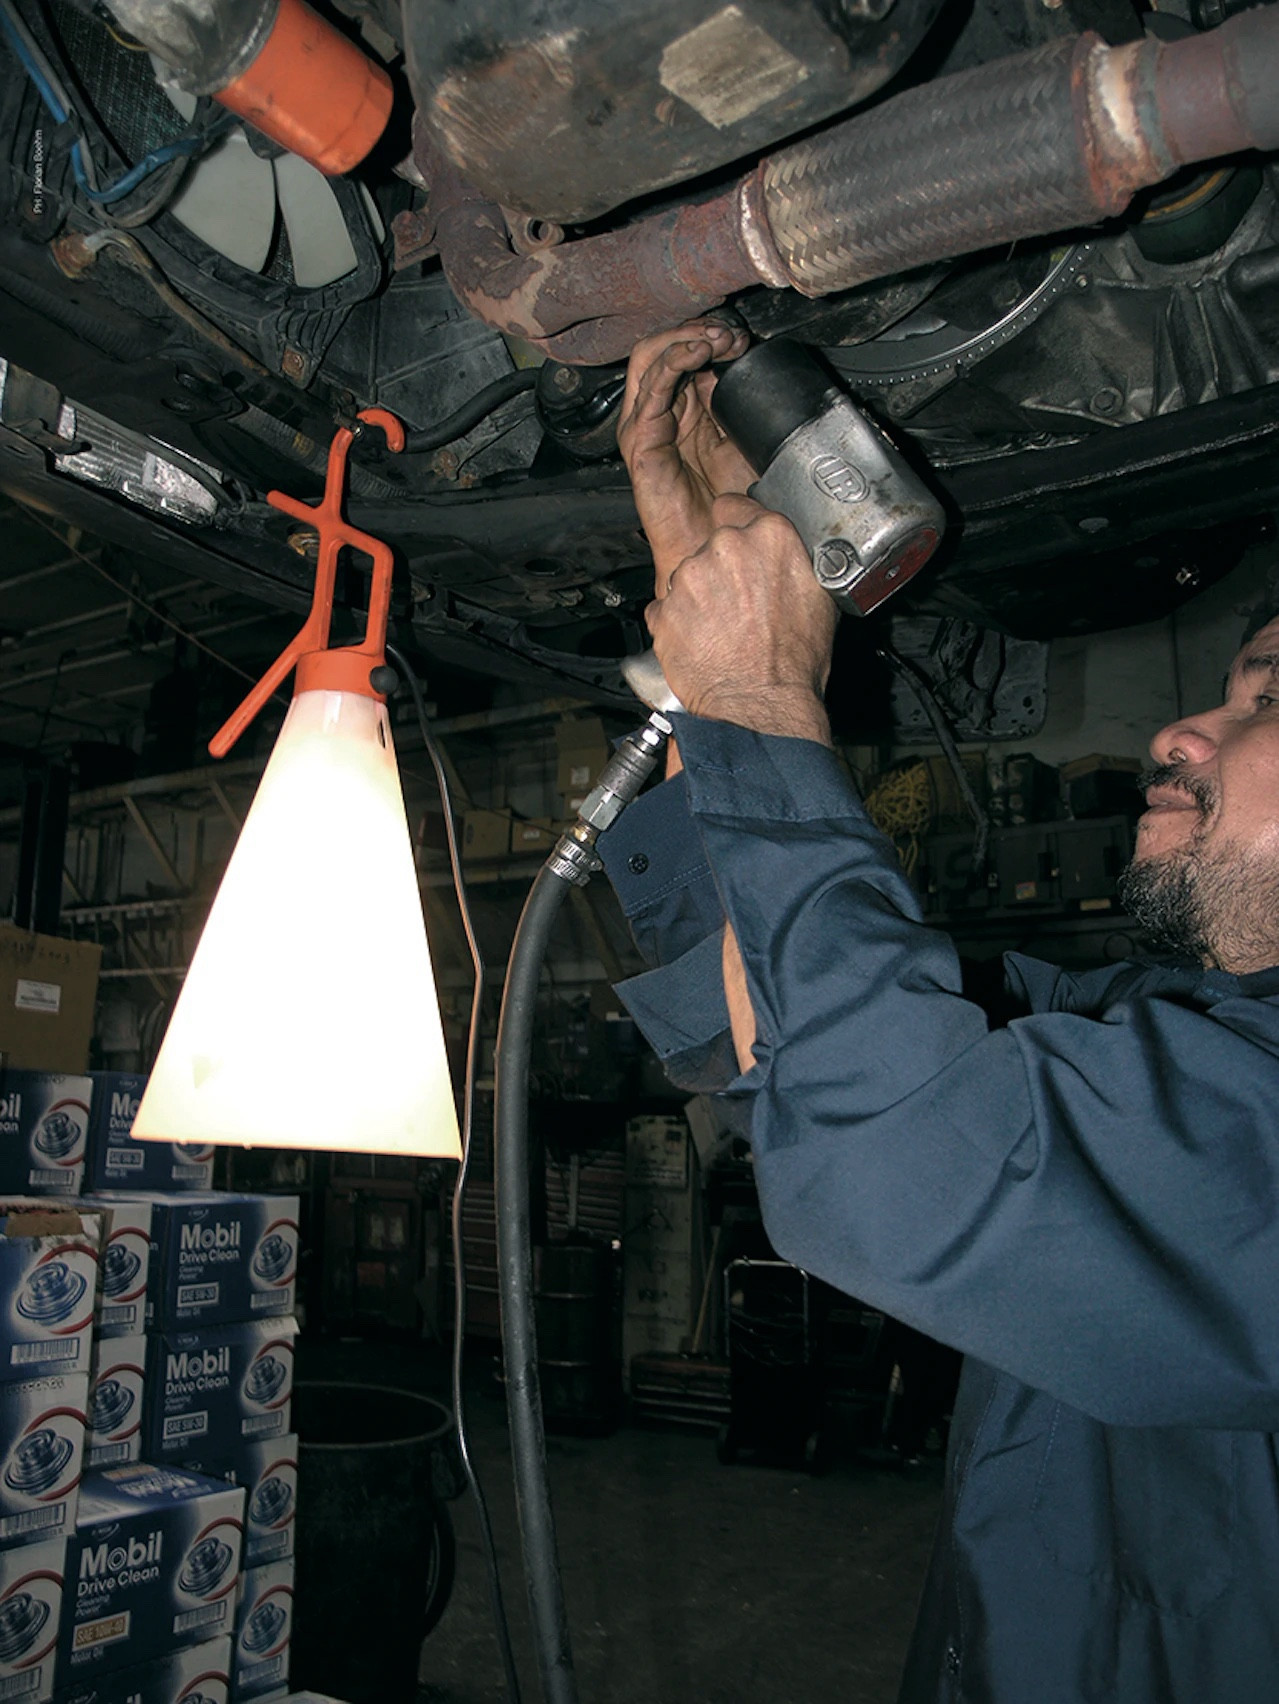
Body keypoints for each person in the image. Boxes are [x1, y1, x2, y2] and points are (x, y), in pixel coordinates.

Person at [597, 320, 1279, 1703]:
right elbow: (777, 1032)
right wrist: (709, 599)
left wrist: (765, 700)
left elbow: (898, 1154)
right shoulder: (1140, 1028)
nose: (1180, 731)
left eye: (1268, 704)